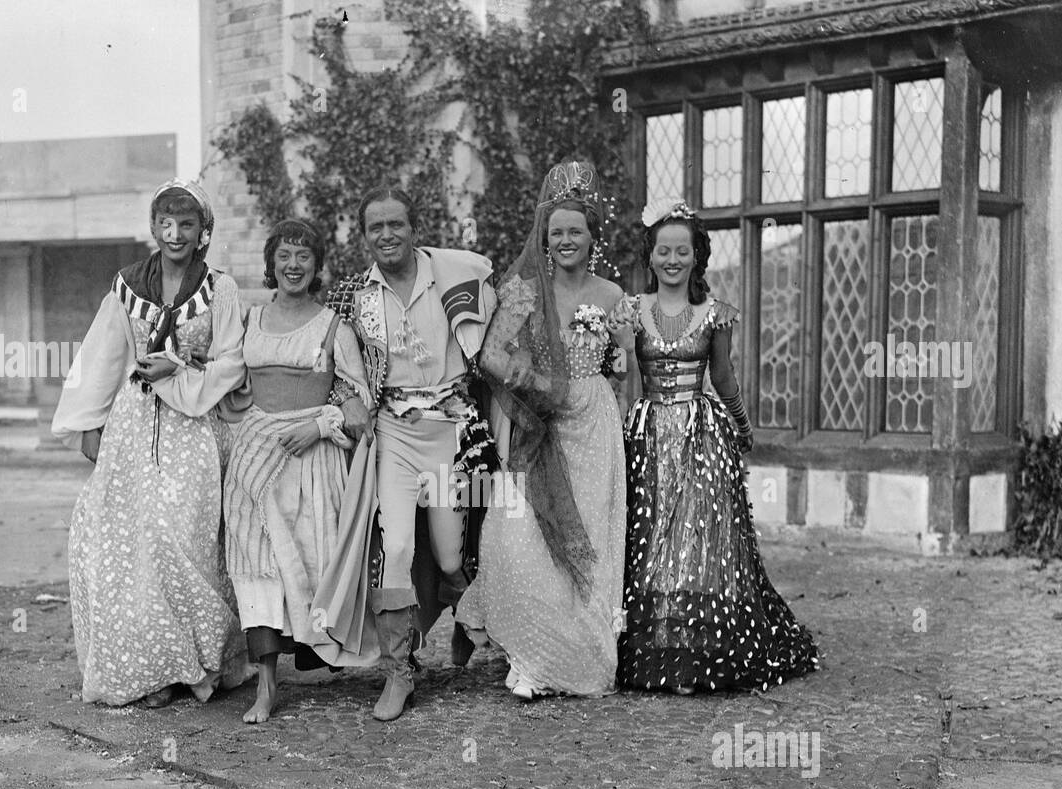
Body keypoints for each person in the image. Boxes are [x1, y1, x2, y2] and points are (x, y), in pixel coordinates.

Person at [145, 218, 374, 724]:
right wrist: (177, 368)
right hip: (253, 458)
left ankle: (329, 653)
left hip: (312, 463)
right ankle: (266, 687)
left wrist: (320, 424)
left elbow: (361, 405)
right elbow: (223, 374)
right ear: (271, 264)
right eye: (284, 257)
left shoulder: (334, 328)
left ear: (317, 266)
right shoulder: (249, 320)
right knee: (254, 567)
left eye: (304, 257)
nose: (293, 266)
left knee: (312, 563)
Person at [51, 178, 249, 707]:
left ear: (203, 231)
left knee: (181, 538)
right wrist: (90, 423)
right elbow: (104, 354)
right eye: (166, 223)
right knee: (121, 540)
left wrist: (179, 370)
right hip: (134, 426)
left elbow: (230, 361)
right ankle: (153, 667)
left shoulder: (220, 289)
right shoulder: (126, 285)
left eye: (187, 224)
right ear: (154, 227)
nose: (175, 233)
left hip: (196, 429)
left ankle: (198, 661)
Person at [311, 186, 498, 721]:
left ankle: (468, 612)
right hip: (393, 433)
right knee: (393, 550)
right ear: (364, 236)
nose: (387, 235)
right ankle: (398, 672)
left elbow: (502, 331)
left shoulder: (458, 274)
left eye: (396, 224)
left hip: (451, 431)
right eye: (376, 227)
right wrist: (347, 403)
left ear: (414, 227)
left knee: (448, 555)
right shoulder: (356, 296)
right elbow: (338, 371)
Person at [619, 199, 819, 693]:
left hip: (699, 438)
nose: (671, 260)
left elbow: (723, 378)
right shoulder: (631, 310)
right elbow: (622, 377)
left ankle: (696, 652)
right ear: (650, 256)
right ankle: (651, 647)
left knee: (695, 539)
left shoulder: (715, 314)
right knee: (650, 541)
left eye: (681, 251)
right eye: (663, 250)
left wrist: (743, 427)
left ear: (696, 257)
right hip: (646, 434)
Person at [457, 160, 635, 699]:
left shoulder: (611, 295)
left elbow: (627, 360)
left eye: (574, 232)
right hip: (540, 423)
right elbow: (489, 356)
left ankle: (573, 653)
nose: (564, 241)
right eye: (555, 232)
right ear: (544, 235)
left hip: (595, 424)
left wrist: (625, 386)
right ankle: (530, 648)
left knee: (590, 535)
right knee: (521, 531)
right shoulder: (524, 292)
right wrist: (536, 384)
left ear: (591, 236)